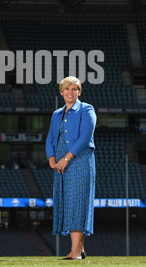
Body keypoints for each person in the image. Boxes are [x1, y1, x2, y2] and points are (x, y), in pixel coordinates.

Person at [45, 76, 96, 260]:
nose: (71, 92)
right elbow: (51, 137)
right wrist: (52, 159)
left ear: (79, 92)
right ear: (61, 92)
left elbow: (84, 138)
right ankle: (79, 250)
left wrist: (66, 158)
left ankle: (74, 252)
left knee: (78, 204)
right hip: (60, 165)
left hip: (79, 162)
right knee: (67, 204)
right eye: (67, 88)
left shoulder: (87, 109)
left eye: (75, 89)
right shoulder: (56, 114)